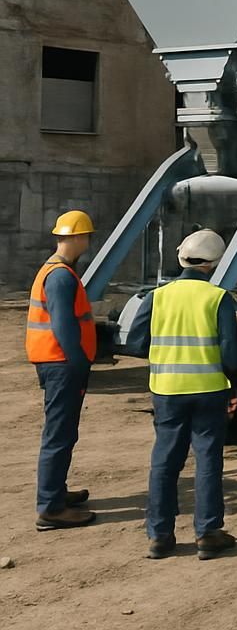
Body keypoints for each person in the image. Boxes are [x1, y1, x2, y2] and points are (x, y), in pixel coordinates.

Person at [124, 228, 237, 560]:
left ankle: (160, 536)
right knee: (207, 460)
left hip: (167, 391)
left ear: (181, 258)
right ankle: (208, 533)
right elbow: (231, 355)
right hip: (208, 391)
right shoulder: (218, 298)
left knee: (164, 462)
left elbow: (134, 343)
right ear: (215, 263)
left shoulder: (156, 297)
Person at [26, 210, 98, 531]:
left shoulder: (53, 271)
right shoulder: (61, 277)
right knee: (59, 434)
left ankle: (56, 492)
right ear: (80, 238)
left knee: (63, 432)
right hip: (62, 364)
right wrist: (80, 363)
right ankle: (51, 508)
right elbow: (64, 326)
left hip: (54, 362)